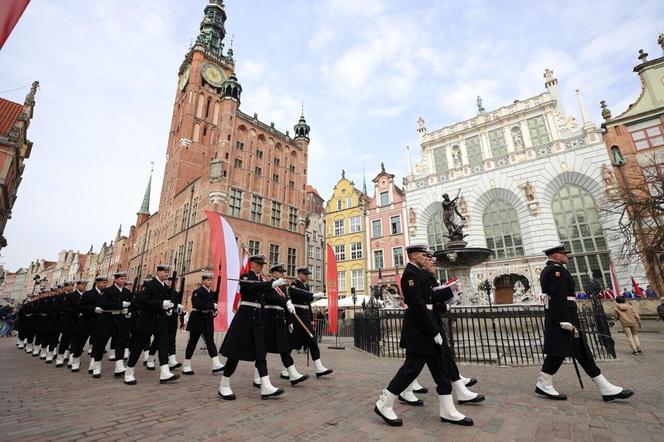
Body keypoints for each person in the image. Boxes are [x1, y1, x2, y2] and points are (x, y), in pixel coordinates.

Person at [374, 244, 473, 427]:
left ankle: (448, 410)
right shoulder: (410, 275)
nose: (425, 257)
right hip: (420, 331)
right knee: (411, 369)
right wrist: (433, 330)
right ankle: (385, 402)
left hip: (427, 327)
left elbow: (431, 299)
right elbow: (418, 306)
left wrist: (449, 297)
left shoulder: (420, 273)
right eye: (422, 254)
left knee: (441, 369)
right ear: (412, 256)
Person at [535, 244, 633, 402]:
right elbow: (558, 296)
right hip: (564, 315)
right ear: (554, 255)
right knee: (560, 350)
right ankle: (544, 382)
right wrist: (563, 319)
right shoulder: (555, 270)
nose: (568, 256)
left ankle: (604, 387)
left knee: (580, 350)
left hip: (567, 314)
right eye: (563, 253)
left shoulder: (556, 268)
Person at [218, 254, 284, 400]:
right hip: (245, 318)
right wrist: (270, 284)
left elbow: (271, 294)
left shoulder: (262, 279)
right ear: (252, 264)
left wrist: (286, 302)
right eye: (258, 263)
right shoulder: (246, 276)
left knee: (261, 353)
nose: (261, 266)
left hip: (257, 319)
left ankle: (266, 385)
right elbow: (250, 287)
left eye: (262, 264)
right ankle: (224, 385)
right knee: (235, 353)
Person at [124, 265, 180, 385]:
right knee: (138, 346)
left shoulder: (166, 287)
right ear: (158, 272)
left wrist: (171, 307)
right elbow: (143, 301)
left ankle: (164, 372)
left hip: (160, 321)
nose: (166, 274)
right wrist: (161, 304)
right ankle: (129, 372)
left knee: (163, 346)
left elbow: (171, 301)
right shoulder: (149, 285)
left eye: (168, 272)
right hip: (147, 320)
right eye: (165, 272)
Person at [279, 266, 333, 380]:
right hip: (297, 317)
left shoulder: (306, 286)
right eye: (305, 274)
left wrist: (311, 318)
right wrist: (313, 295)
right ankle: (287, 369)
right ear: (299, 274)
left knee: (312, 341)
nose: (308, 276)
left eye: (308, 274)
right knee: (291, 344)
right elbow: (300, 294)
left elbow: (307, 304)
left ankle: (319, 368)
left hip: (305, 318)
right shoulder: (294, 285)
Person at [260, 263, 308, 387]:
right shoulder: (270, 284)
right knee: (263, 349)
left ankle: (292, 374)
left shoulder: (282, 287)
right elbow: (272, 298)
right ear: (274, 273)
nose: (282, 274)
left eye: (283, 272)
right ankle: (257, 376)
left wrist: (290, 321)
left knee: (284, 348)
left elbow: (286, 305)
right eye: (280, 272)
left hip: (280, 320)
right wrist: (286, 301)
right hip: (270, 319)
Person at [182, 272, 224, 375]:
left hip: (207, 319)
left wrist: (214, 310)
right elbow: (198, 304)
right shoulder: (197, 292)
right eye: (208, 280)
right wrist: (212, 306)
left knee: (210, 341)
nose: (210, 281)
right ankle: (186, 364)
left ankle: (216, 363)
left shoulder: (212, 293)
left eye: (211, 280)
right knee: (193, 342)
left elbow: (214, 306)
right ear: (203, 281)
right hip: (197, 319)